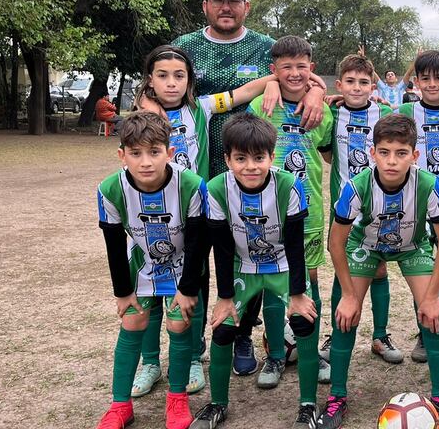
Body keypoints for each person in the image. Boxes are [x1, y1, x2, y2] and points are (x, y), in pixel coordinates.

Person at [131, 45, 323, 396]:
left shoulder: (201, 108)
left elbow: (243, 92)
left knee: (195, 284)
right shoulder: (142, 115)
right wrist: (144, 99)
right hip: (152, 216)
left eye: (179, 76)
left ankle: (191, 357)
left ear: (190, 81)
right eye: (162, 76)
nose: (171, 83)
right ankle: (149, 362)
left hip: (196, 214)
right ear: (149, 81)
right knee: (151, 288)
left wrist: (291, 84)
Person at [172, 0, 326, 379]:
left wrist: (316, 91)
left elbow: (301, 75)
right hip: (200, 172)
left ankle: (243, 336)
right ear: (205, 4)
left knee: (254, 258)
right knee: (201, 259)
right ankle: (194, 348)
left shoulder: (264, 46)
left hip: (259, 173)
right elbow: (159, 86)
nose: (226, 6)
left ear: (246, 5)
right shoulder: (185, 47)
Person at [320, 114, 439, 429]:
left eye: (401, 153)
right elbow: (336, 243)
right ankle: (337, 396)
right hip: (365, 247)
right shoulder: (356, 186)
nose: (392, 161)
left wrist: (430, 297)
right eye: (385, 152)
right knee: (345, 316)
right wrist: (349, 295)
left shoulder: (427, 184)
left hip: (411, 247)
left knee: (433, 315)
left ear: (415, 156)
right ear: (373, 153)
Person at [193, 114, 319, 429]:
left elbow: (294, 243)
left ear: (271, 157)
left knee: (304, 322)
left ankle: (307, 406)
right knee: (223, 328)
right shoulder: (217, 188)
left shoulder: (289, 185)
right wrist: (224, 298)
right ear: (227, 159)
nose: (250, 166)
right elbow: (221, 247)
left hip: (282, 262)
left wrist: (298, 294)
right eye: (240, 158)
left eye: (259, 158)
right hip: (242, 265)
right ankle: (217, 404)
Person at [94, 112, 207, 429]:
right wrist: (122, 292)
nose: (146, 162)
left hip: (182, 262)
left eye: (154, 152)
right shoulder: (109, 189)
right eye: (136, 153)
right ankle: (120, 406)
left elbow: (198, 242)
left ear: (169, 153)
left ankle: (177, 400)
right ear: (122, 156)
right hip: (141, 261)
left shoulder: (192, 186)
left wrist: (187, 289)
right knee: (132, 321)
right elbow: (114, 244)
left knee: (179, 324)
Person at [247, 36, 334, 389]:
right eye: (286, 67)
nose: (295, 73)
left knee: (309, 283)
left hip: (309, 212)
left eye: (302, 66)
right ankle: (276, 355)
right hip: (266, 213)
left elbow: (327, 154)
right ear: (274, 70)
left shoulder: (323, 110)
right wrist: (269, 87)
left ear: (312, 69)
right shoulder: (258, 105)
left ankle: (311, 350)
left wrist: (322, 94)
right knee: (272, 284)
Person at [321, 54, 396, 366]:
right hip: (344, 208)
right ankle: (338, 331)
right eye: (350, 82)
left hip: (378, 206)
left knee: (378, 267)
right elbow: (326, 154)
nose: (356, 87)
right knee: (343, 266)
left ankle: (380, 335)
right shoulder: (331, 113)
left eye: (363, 82)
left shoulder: (384, 113)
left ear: (372, 85)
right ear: (339, 85)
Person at [397, 50, 439, 364]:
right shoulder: (405, 110)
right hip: (416, 207)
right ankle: (425, 333)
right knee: (422, 268)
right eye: (426, 78)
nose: (433, 83)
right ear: (416, 82)